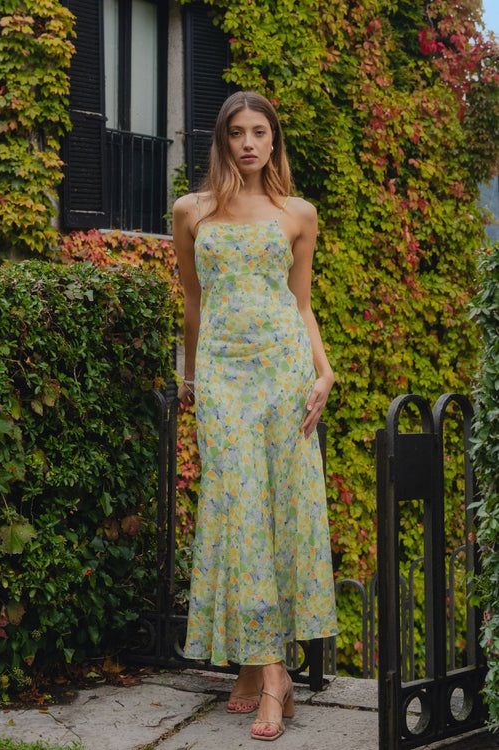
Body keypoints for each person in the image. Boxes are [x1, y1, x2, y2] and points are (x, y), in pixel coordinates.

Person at [172, 91, 337, 742]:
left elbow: (300, 305)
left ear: (274, 142)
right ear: (221, 140)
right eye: (236, 132)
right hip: (223, 379)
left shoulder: (298, 214)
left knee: (274, 519)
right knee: (237, 516)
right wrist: (191, 380)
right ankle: (274, 679)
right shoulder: (191, 213)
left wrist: (323, 372)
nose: (247, 143)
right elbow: (192, 305)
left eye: (259, 132)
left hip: (282, 374)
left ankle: (258, 669)